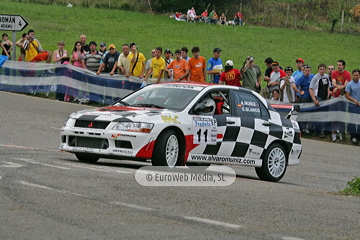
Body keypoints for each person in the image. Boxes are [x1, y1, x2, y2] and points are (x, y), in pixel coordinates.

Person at [331, 60, 351, 141]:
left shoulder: (347, 74)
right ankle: (333, 133)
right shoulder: (334, 73)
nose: (338, 66)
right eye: (337, 65)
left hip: (343, 97)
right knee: (333, 115)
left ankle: (340, 132)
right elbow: (333, 82)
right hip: (334, 96)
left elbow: (346, 84)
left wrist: (337, 88)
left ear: (343, 66)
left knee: (341, 115)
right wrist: (337, 87)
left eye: (339, 65)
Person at [309, 63, 330, 138]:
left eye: (323, 69)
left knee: (325, 115)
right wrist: (314, 99)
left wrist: (328, 95)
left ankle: (324, 130)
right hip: (318, 98)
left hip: (325, 99)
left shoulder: (326, 76)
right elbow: (311, 89)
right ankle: (318, 132)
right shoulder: (315, 77)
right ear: (318, 69)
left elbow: (328, 86)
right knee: (318, 116)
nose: (322, 71)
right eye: (320, 69)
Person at [292, 64, 313, 134]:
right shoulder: (301, 78)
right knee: (303, 112)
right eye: (306, 70)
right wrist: (300, 92)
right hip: (304, 97)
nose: (307, 72)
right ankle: (302, 128)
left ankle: (308, 127)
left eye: (308, 70)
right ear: (304, 71)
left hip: (310, 96)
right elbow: (294, 86)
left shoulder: (312, 76)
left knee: (309, 113)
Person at [345, 69, 360, 144]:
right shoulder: (350, 84)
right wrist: (354, 100)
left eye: (357, 75)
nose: (356, 77)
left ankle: (358, 135)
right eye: (354, 75)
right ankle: (353, 136)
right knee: (353, 121)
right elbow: (347, 95)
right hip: (353, 105)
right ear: (352, 75)